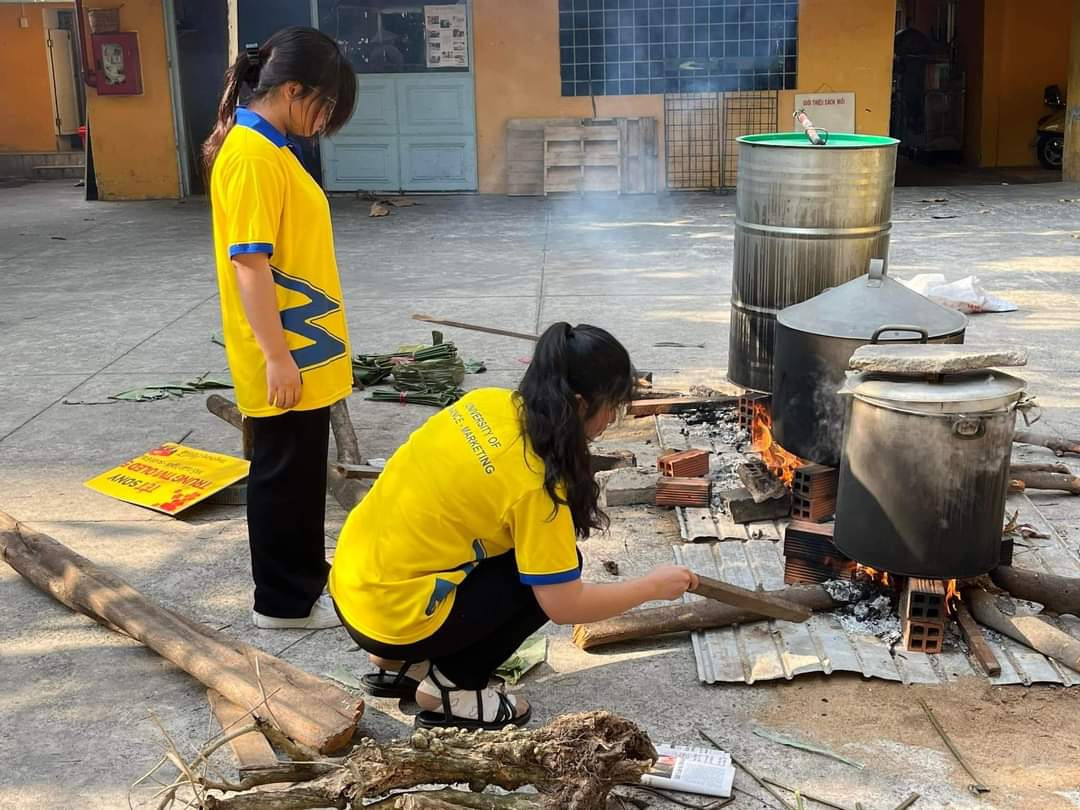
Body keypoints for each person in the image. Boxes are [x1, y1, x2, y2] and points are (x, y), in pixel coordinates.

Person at [330, 323, 699, 729]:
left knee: (507, 546)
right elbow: (564, 605)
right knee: (547, 575)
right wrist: (652, 587)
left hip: (352, 589)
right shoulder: (537, 483)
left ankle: (400, 662)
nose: (612, 419)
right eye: (611, 407)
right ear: (579, 404)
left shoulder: (486, 402)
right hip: (392, 619)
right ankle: (453, 686)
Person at [203, 28, 357, 630]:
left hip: (303, 344)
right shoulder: (251, 156)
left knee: (300, 473)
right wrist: (276, 356)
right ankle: (282, 602)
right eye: (325, 105)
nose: (326, 120)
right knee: (281, 474)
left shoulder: (274, 148)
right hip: (285, 348)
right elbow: (249, 262)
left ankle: (305, 578)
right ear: (293, 90)